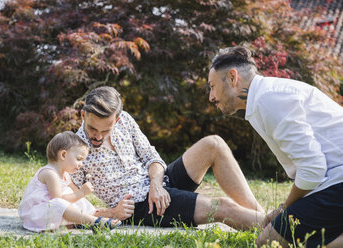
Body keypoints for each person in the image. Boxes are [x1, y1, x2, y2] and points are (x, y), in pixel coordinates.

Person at [71, 86, 264, 230]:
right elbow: (64, 205)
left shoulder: (125, 121)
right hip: (141, 205)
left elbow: (150, 156)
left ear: (117, 120)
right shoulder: (73, 150)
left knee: (213, 144)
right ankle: (277, 230)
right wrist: (112, 213)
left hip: (160, 183)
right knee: (222, 207)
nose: (97, 136)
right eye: (92, 128)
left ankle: (261, 215)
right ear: (83, 115)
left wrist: (156, 185)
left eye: (105, 129)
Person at [208, 46, 343, 248]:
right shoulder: (265, 96)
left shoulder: (268, 100)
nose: (211, 97)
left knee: (269, 242)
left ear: (232, 77)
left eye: (212, 86)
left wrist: (284, 209)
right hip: (334, 180)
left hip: (338, 182)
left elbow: (313, 169)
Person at [18, 131, 121, 232]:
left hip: (50, 211)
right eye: (79, 159)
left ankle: (90, 217)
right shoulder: (50, 174)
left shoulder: (66, 175)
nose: (81, 164)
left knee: (79, 200)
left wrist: (82, 190)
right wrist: (81, 192)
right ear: (63, 155)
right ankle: (95, 222)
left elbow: (75, 194)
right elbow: (58, 201)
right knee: (60, 203)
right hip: (36, 214)